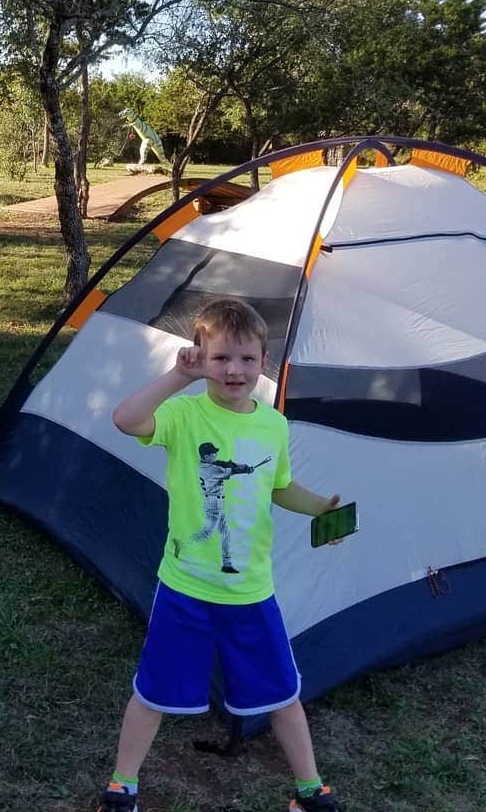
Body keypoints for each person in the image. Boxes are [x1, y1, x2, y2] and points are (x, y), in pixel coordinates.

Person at [100, 296, 345, 812]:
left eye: (247, 359)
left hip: (251, 592)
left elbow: (279, 486)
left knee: (283, 693)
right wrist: (177, 377)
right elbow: (125, 419)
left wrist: (320, 508)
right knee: (152, 691)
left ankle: (310, 791)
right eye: (221, 358)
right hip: (185, 588)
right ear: (200, 358)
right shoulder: (185, 415)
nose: (235, 370)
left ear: (264, 361)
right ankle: (122, 786)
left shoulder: (273, 424)